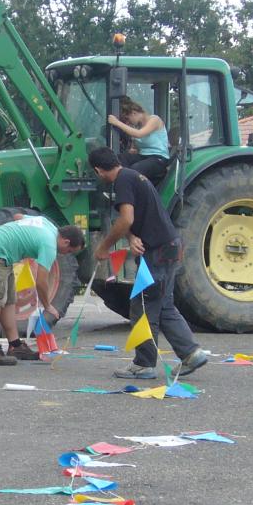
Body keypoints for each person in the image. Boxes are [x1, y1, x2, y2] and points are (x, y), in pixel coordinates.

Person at [88, 146, 207, 380]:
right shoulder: (133, 176)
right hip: (170, 247)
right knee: (163, 305)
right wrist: (131, 237)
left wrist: (104, 247)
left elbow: (126, 218)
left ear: (98, 170)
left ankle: (144, 364)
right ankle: (191, 353)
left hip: (158, 252)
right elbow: (138, 218)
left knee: (142, 306)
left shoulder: (122, 181)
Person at [0, 214, 85, 366]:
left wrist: (19, 241)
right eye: (70, 251)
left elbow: (17, 216)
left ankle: (15, 345)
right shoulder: (49, 245)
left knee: (10, 300)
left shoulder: (48, 224)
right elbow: (41, 281)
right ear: (66, 242)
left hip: (2, 251)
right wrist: (47, 306)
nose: (67, 254)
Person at [107, 97, 170, 189]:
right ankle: (117, 189)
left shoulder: (154, 120)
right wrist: (132, 149)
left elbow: (139, 134)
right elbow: (136, 146)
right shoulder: (137, 126)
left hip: (158, 159)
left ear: (134, 113)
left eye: (128, 119)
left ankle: (129, 194)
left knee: (135, 169)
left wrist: (117, 123)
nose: (128, 122)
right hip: (144, 156)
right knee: (121, 158)